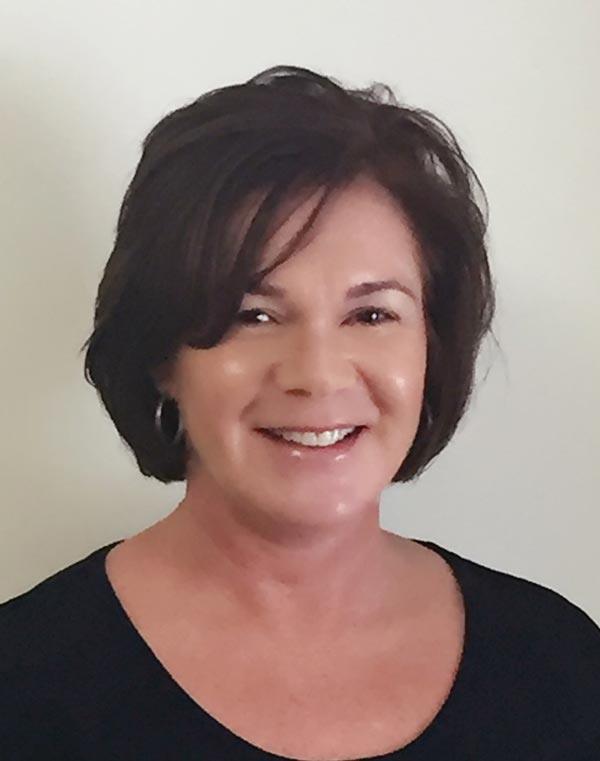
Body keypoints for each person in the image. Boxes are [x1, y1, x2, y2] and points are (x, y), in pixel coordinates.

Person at [1, 64, 599, 761]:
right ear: (162, 356)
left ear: (432, 347)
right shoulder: (25, 684)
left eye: (372, 313)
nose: (316, 373)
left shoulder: (560, 664)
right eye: (253, 315)